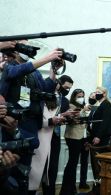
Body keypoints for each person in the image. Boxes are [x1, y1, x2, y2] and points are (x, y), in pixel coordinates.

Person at [0, 41, 63, 194]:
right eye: (25, 47)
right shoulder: (9, 67)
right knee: (10, 176)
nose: (29, 50)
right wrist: (48, 57)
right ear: (15, 50)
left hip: (31, 130)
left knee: (24, 176)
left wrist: (53, 69)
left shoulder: (34, 73)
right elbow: (17, 72)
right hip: (13, 128)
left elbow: (46, 88)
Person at [42, 75, 73, 195]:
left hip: (55, 137)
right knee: (40, 167)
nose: (67, 90)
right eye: (66, 87)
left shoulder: (65, 101)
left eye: (69, 89)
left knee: (53, 169)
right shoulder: (45, 95)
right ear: (59, 83)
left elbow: (62, 120)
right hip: (43, 134)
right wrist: (61, 115)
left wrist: (68, 117)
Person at [60, 89, 90, 195]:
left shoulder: (84, 105)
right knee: (73, 162)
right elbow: (74, 116)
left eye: (82, 95)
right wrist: (83, 111)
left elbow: (85, 119)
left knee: (82, 161)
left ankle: (80, 184)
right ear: (74, 96)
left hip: (83, 136)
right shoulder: (71, 105)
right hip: (73, 136)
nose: (81, 97)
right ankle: (69, 188)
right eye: (79, 96)